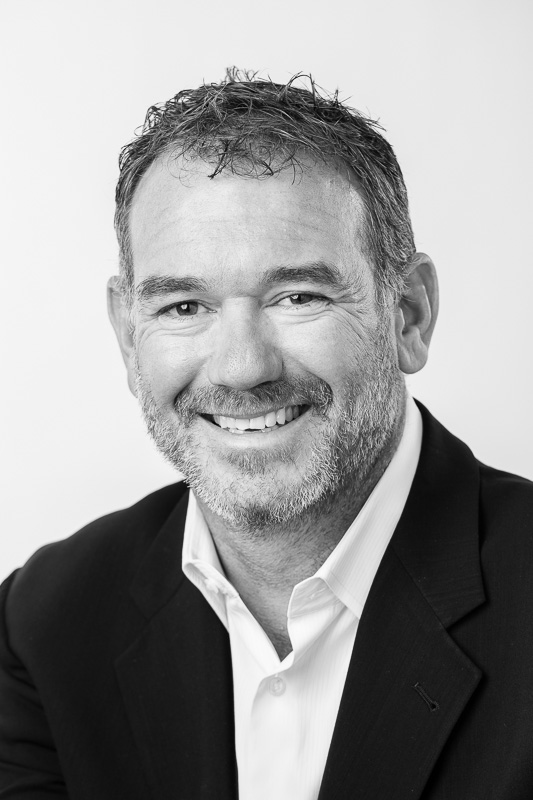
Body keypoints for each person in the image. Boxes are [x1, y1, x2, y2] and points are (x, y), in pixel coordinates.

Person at [1, 69, 532, 800]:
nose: (242, 368)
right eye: (183, 307)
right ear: (128, 335)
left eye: (298, 296)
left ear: (407, 315)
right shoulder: (44, 624)